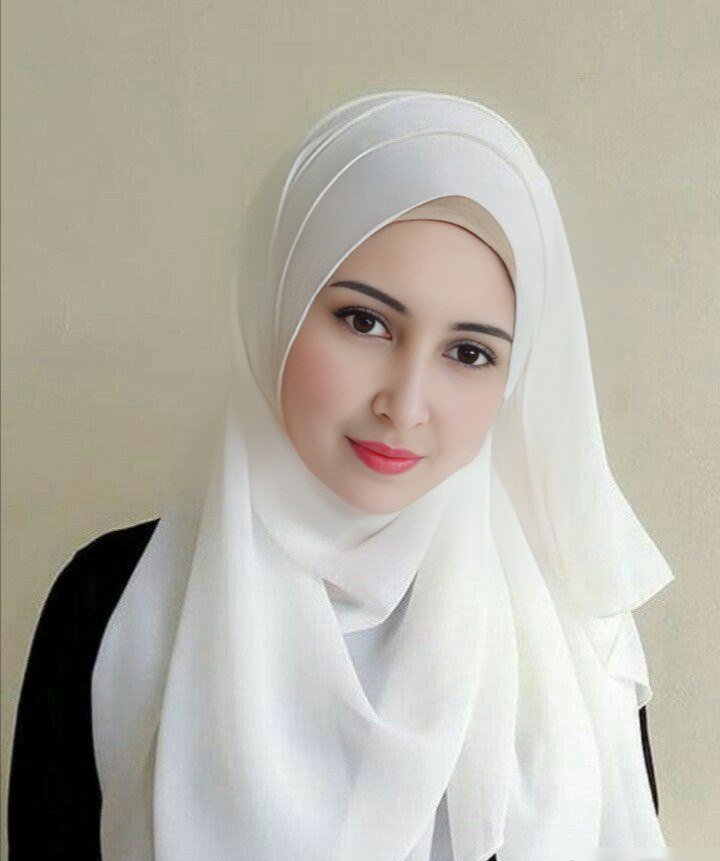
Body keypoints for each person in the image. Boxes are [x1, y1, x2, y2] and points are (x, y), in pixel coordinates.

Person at [8, 90, 672, 861]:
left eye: (469, 352)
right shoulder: (111, 603)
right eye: (366, 321)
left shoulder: (572, 644)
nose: (406, 405)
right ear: (277, 305)